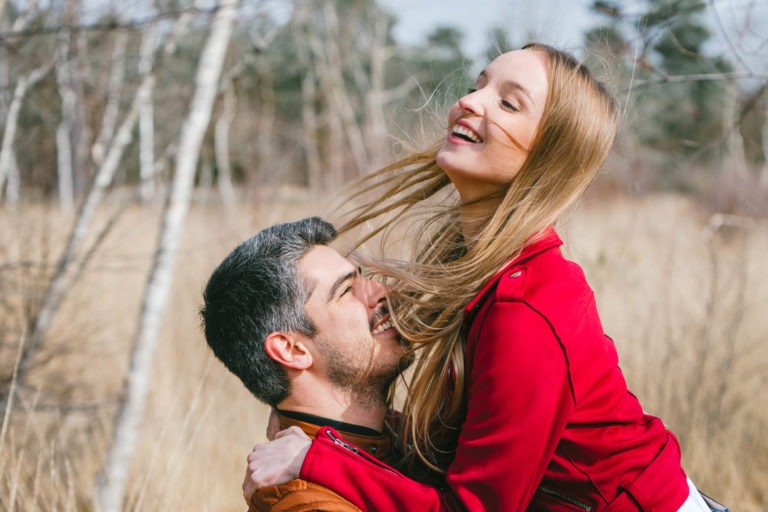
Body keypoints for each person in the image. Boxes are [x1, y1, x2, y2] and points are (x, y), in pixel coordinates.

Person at [244, 44, 725, 511]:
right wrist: (319, 428)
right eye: (480, 85)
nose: (469, 102)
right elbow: (470, 442)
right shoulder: (483, 267)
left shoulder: (526, 308)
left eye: (508, 103)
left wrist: (319, 458)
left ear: (547, 154)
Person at [200, 217, 413, 512]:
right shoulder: (311, 505)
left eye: (362, 278)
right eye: (346, 290)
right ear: (291, 350)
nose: (381, 291)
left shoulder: (406, 443)